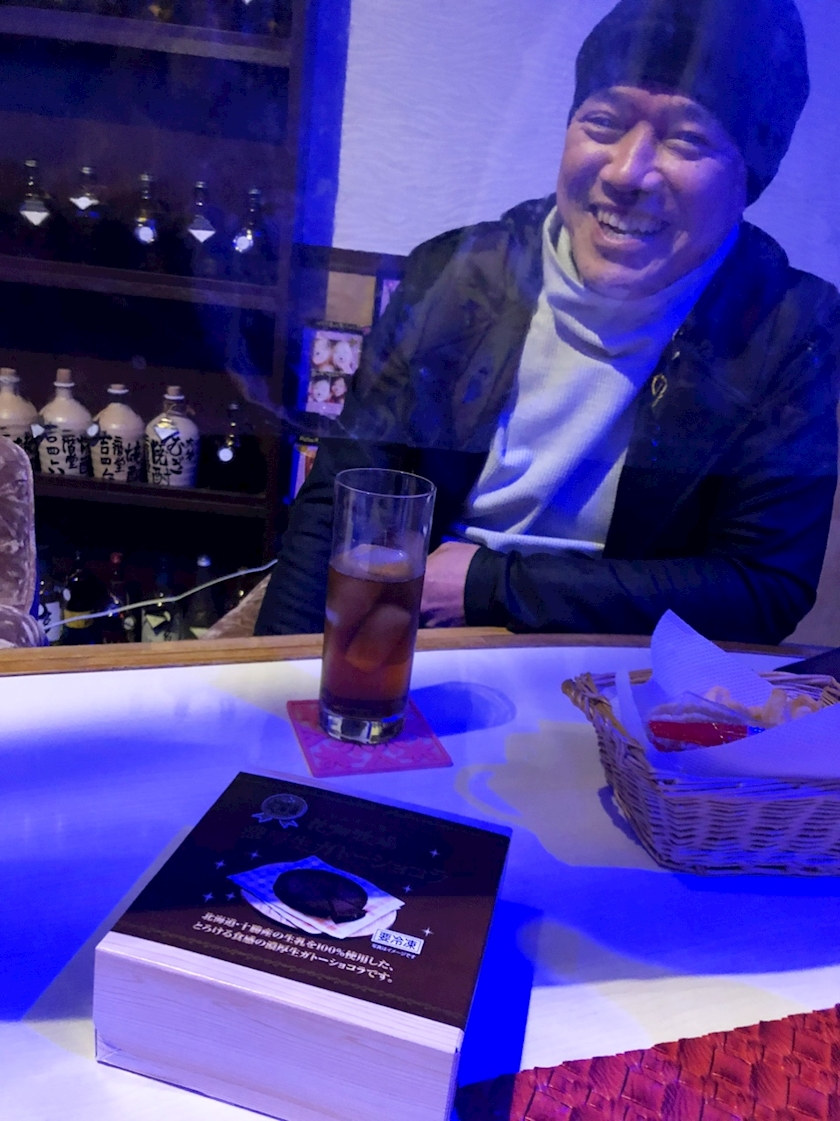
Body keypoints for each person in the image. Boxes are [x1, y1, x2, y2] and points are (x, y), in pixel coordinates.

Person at [256, 0, 840, 644]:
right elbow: (341, 504)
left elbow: (762, 586)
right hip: (419, 635)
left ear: (749, 175)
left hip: (629, 663)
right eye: (603, 122)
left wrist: (492, 585)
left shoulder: (789, 327)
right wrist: (283, 672)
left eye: (687, 140)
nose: (627, 172)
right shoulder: (457, 275)